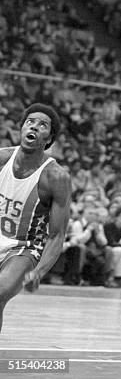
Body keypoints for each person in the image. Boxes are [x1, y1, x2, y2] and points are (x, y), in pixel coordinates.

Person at [0, 103, 71, 331]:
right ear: (21, 129)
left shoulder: (56, 177)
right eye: (30, 121)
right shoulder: (2, 159)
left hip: (23, 248)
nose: (35, 127)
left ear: (48, 138)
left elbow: (57, 234)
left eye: (43, 125)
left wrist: (38, 272)